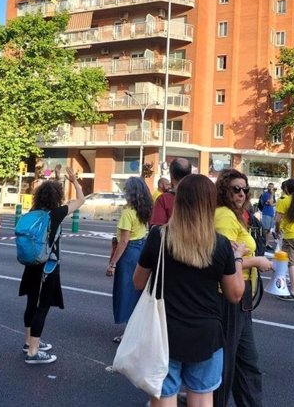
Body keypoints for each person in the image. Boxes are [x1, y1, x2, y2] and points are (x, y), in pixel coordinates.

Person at [134, 174, 247, 407]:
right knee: (202, 397)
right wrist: (237, 259)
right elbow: (235, 294)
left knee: (163, 396)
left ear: (179, 200)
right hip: (206, 334)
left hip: (164, 332)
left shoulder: (159, 236)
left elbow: (137, 282)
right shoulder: (221, 244)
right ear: (210, 203)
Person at [213, 169, 272, 407]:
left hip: (242, 295)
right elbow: (223, 258)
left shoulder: (237, 216)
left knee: (246, 364)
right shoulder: (225, 216)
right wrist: (256, 261)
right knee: (227, 364)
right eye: (235, 189)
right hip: (229, 295)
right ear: (224, 190)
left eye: (244, 189)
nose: (241, 194)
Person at [19, 168, 84, 364]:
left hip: (30, 265)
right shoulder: (56, 214)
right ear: (57, 197)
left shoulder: (33, 213)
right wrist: (75, 182)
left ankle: (28, 342)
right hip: (48, 267)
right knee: (42, 307)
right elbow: (81, 200)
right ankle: (33, 352)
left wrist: (56, 179)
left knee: (31, 303)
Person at [106, 176, 152, 342]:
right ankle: (137, 331)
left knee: (126, 293)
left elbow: (124, 240)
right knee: (138, 293)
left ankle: (128, 333)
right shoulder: (144, 211)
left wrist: (112, 263)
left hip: (129, 253)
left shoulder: (127, 213)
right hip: (141, 251)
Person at [150, 158, 191, 226]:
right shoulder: (200, 197)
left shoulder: (163, 199)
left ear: (171, 175)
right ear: (190, 174)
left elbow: (156, 229)